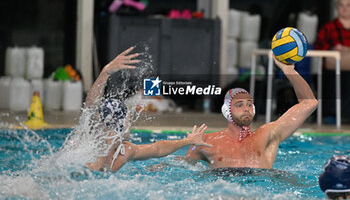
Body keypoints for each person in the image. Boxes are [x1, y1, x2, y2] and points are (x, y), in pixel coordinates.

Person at [84, 47, 212, 172]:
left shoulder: (124, 150)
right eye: (128, 119)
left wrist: (187, 141)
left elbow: (158, 148)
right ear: (121, 124)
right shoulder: (94, 150)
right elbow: (90, 107)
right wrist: (105, 72)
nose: (130, 124)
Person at [183, 57, 318, 169]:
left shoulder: (267, 134)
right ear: (226, 111)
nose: (246, 108)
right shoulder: (206, 142)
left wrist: (288, 70)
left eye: (249, 104)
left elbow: (309, 103)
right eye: (239, 105)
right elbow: (181, 167)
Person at [314, 0, 350, 122]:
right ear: (337, 8)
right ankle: (331, 114)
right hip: (333, 67)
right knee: (331, 81)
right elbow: (318, 46)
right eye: (341, 5)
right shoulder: (329, 27)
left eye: (348, 5)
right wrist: (332, 50)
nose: (345, 8)